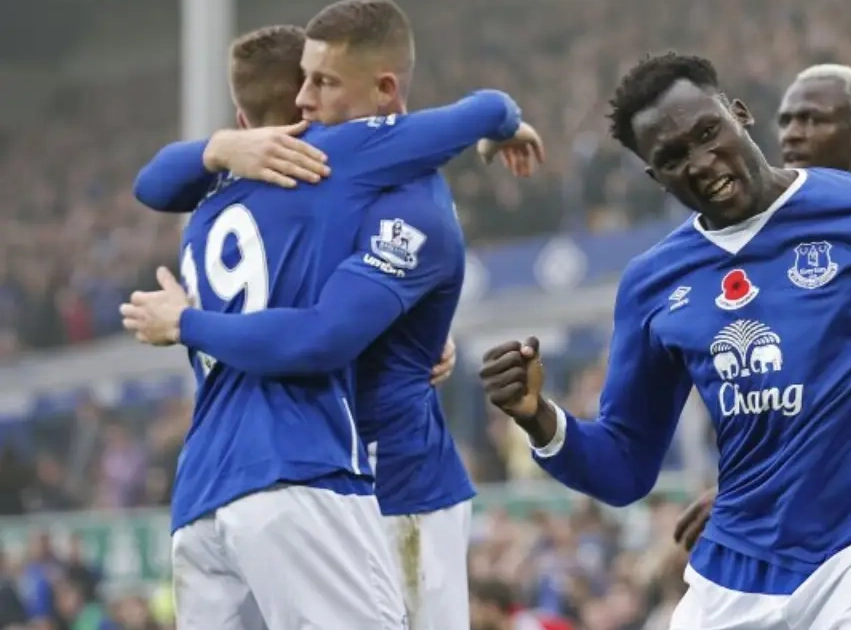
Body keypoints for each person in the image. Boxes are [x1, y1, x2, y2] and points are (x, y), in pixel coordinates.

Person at [478, 52, 851, 628]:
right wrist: (537, 415)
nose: (701, 162)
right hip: (729, 575)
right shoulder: (653, 282)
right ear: (655, 177)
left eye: (708, 133)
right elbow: (625, 466)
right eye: (672, 158)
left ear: (739, 114)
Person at [127, 5, 542, 630]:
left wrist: (216, 151)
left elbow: (152, 183)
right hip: (312, 472)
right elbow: (323, 334)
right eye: (304, 81)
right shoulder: (340, 166)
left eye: (321, 82)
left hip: (387, 486)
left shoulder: (208, 206)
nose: (307, 98)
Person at [674, 63, 851, 552]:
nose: (792, 133)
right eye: (786, 120)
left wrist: (752, 492)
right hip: (789, 533)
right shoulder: (766, 250)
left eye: (812, 119)